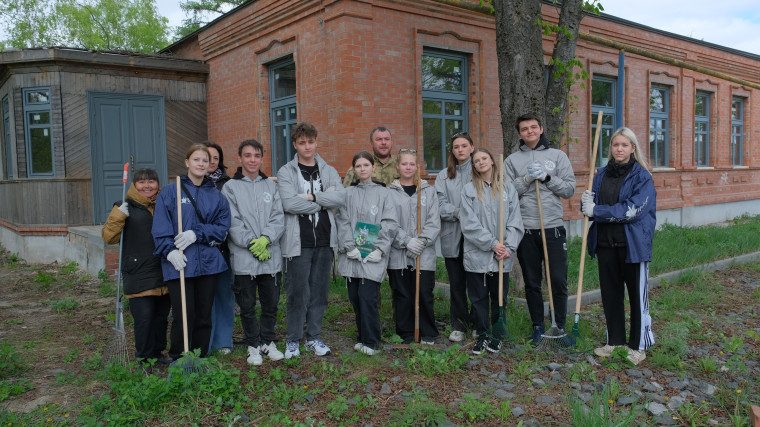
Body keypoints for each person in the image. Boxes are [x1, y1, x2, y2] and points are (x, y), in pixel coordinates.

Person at [581, 127, 656, 366]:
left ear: (633, 148)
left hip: (632, 245)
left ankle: (638, 346)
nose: (619, 149)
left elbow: (633, 210)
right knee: (611, 295)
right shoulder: (600, 174)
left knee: (636, 296)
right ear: (610, 148)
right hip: (605, 244)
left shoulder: (642, 176)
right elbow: (591, 210)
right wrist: (585, 205)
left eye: (624, 145)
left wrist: (597, 211)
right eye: (615, 145)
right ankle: (614, 341)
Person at [152, 143, 231, 359]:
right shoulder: (170, 193)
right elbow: (160, 228)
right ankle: (179, 357)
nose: (201, 164)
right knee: (184, 315)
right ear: (187, 162)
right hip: (180, 263)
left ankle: (199, 357)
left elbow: (223, 227)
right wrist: (169, 251)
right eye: (196, 160)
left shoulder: (216, 196)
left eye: (205, 161)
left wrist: (197, 233)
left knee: (204, 315)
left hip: (208, 263)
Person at [503, 113, 576, 344]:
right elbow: (506, 193)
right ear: (519, 134)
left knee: (557, 280)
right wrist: (526, 179)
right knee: (532, 281)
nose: (530, 132)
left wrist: (547, 177)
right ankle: (538, 326)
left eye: (533, 127)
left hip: (552, 227)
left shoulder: (558, 156)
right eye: (524, 129)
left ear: (541, 129)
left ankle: (560, 325)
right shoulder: (512, 161)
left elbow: (569, 189)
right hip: (527, 230)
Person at [277, 122, 345, 359]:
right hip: (299, 242)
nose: (307, 146)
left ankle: (314, 337)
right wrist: (323, 201)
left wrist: (312, 196)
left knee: (319, 292)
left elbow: (340, 198)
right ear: (295, 144)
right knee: (297, 292)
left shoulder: (328, 170)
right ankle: (293, 340)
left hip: (325, 241)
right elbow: (289, 204)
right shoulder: (286, 171)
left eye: (311, 142)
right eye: (302, 142)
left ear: (316, 142)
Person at [222, 139, 285, 365]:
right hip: (244, 258)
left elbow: (279, 217)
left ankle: (268, 341)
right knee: (247, 306)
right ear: (240, 158)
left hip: (271, 257)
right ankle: (253, 344)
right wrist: (252, 244)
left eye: (256, 156)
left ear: (261, 158)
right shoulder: (230, 187)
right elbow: (232, 221)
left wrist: (266, 239)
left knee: (271, 303)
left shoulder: (271, 185)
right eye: (247, 155)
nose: (252, 160)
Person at [102, 168, 171, 372]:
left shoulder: (164, 204)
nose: (147, 185)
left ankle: (158, 352)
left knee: (160, 317)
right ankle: (143, 358)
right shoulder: (125, 207)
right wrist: (118, 215)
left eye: (151, 181)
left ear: (158, 184)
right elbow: (108, 237)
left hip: (163, 269)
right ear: (134, 185)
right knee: (144, 319)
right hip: (138, 271)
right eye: (141, 182)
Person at [461, 148, 524, 355]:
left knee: (499, 297)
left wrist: (508, 246)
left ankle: (497, 333)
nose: (481, 162)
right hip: (478, 254)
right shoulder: (469, 190)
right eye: (476, 160)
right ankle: (483, 333)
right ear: (474, 166)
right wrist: (491, 243)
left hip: (502, 254)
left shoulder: (507, 188)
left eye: (484, 158)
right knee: (478, 297)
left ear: (492, 161)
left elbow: (515, 220)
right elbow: (468, 224)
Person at [337, 151, 398, 355]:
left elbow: (389, 223)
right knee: (354, 296)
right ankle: (362, 337)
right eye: (358, 166)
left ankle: (373, 342)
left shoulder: (384, 193)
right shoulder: (348, 194)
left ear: (373, 167)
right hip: (353, 253)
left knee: (368, 297)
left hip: (373, 253)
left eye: (366, 165)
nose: (362, 169)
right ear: (354, 169)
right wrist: (349, 246)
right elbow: (343, 221)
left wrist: (379, 249)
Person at [387, 149, 441, 344]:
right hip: (398, 254)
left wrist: (421, 241)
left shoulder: (428, 191)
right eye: (404, 164)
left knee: (424, 292)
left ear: (417, 166)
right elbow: (389, 223)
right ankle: (406, 331)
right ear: (398, 167)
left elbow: (434, 221)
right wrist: (406, 241)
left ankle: (427, 331)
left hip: (424, 253)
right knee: (402, 294)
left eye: (411, 164)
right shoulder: (389, 193)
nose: (408, 167)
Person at [435, 132, 476, 342]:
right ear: (452, 150)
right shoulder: (443, 176)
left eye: (464, 145)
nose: (460, 149)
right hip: (453, 238)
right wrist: (461, 212)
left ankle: (478, 323)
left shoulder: (480, 170)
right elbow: (439, 206)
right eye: (456, 146)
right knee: (457, 284)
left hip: (476, 238)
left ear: (472, 147)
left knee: (477, 284)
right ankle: (459, 324)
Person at [203, 141, 235, 356]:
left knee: (224, 294)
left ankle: (223, 340)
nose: (212, 162)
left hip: (225, 248)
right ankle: (205, 339)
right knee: (204, 297)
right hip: (200, 248)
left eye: (216, 158)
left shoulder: (229, 184)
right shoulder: (190, 184)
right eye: (207, 158)